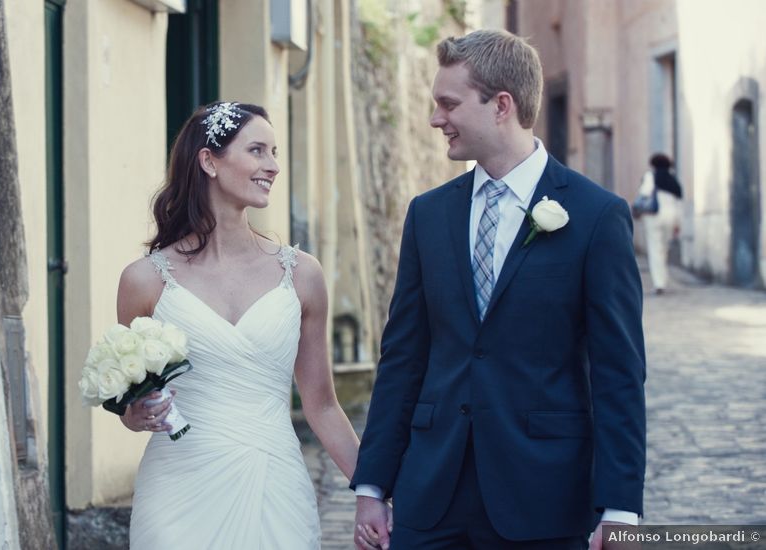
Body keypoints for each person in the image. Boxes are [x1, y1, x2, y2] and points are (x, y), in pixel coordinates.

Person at [351, 30, 646, 550]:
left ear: (501, 105)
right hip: (430, 496)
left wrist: (620, 505)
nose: (435, 119)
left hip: (544, 496)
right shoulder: (429, 214)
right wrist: (372, 485)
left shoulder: (597, 216)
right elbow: (403, 357)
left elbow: (618, 371)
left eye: (448, 103)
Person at [116, 101, 360, 549]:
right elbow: (134, 408)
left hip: (275, 484)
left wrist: (373, 491)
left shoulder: (302, 275)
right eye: (257, 151)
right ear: (209, 161)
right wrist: (136, 414)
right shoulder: (144, 280)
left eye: (275, 152)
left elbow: (322, 405)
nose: (273, 166)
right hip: (177, 490)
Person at [637, 153, 683, 294]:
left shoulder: (650, 176)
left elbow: (644, 192)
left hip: (654, 216)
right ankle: (663, 278)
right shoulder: (673, 180)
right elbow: (679, 203)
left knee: (655, 248)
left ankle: (659, 283)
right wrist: (678, 224)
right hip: (671, 216)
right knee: (664, 249)